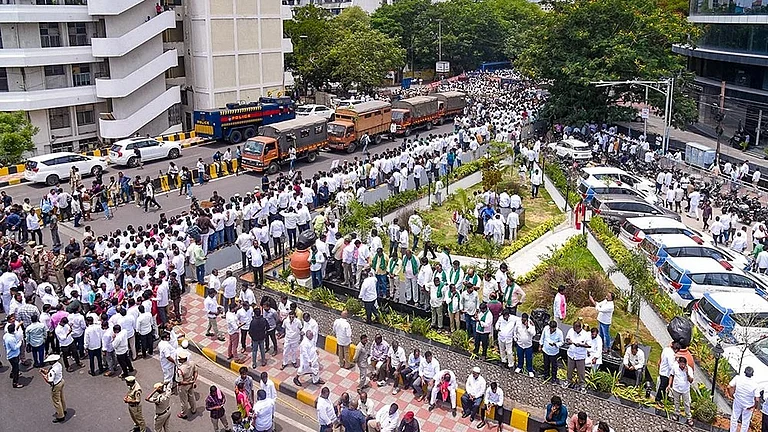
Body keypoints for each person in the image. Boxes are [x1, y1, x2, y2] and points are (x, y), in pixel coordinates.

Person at [728, 366, 761, 432]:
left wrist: (731, 395)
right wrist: (754, 406)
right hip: (748, 405)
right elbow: (757, 399)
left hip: (738, 401)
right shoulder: (755, 385)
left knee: (734, 418)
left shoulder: (738, 378)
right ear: (752, 374)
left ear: (744, 372)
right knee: (745, 422)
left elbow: (729, 386)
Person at [41, 354, 67, 423]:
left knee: (56, 400)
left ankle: (60, 415)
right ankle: (64, 410)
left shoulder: (53, 370)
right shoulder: (59, 365)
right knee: (61, 397)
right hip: (61, 381)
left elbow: (49, 380)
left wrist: (43, 375)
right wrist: (46, 372)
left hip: (56, 385)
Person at [668, 356, 694, 426]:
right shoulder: (675, 367)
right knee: (676, 402)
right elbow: (671, 375)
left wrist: (687, 373)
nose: (682, 366)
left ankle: (689, 417)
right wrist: (669, 385)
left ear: (686, 364)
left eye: (683, 364)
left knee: (687, 404)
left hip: (685, 390)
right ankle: (676, 414)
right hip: (676, 388)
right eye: (681, 364)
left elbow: (691, 381)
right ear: (678, 363)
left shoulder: (689, 369)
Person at [565, 320, 589, 392]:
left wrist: (580, 345)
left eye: (576, 329)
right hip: (571, 354)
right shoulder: (571, 331)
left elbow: (589, 345)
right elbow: (567, 338)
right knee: (569, 369)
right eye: (574, 328)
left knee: (581, 372)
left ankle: (582, 385)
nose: (574, 330)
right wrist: (569, 341)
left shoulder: (585, 334)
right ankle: (568, 381)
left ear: (579, 328)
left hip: (580, 356)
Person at [176, 350, 198, 419]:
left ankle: (184, 413)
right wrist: (193, 381)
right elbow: (196, 372)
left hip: (184, 386)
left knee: (184, 401)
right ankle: (193, 409)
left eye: (179, 359)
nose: (178, 360)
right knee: (191, 396)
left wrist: (190, 382)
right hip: (190, 383)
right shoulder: (192, 363)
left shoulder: (180, 370)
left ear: (182, 360)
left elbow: (180, 382)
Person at [513, 312, 536, 377]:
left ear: (527, 319)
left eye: (524, 320)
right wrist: (515, 338)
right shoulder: (518, 323)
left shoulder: (531, 324)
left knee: (529, 358)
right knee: (520, 356)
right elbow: (515, 331)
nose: (523, 321)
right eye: (522, 320)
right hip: (520, 344)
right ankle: (519, 366)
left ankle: (530, 370)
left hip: (528, 345)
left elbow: (533, 333)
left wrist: (528, 327)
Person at [4, 322, 23, 388]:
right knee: (16, 368)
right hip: (13, 355)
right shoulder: (11, 339)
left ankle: (12, 374)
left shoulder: (6, 335)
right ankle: (15, 383)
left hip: (12, 355)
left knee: (14, 366)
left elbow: (4, 344)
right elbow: (14, 348)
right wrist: (20, 342)